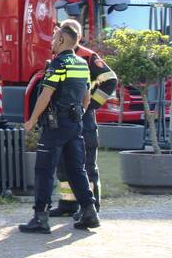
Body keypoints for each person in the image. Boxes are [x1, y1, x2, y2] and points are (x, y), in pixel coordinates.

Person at [19, 21, 100, 234]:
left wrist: (32, 120)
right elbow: (86, 98)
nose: (52, 42)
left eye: (55, 38)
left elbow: (45, 96)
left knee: (44, 170)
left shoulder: (58, 64)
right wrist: (79, 115)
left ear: (63, 40)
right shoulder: (82, 64)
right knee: (77, 169)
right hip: (75, 124)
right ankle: (89, 212)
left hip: (55, 125)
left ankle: (40, 218)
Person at [50, 21, 118, 223]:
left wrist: (90, 106)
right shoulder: (59, 55)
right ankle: (68, 204)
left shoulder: (87, 56)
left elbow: (110, 80)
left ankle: (91, 207)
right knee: (64, 164)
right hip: (66, 119)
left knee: (87, 166)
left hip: (83, 119)